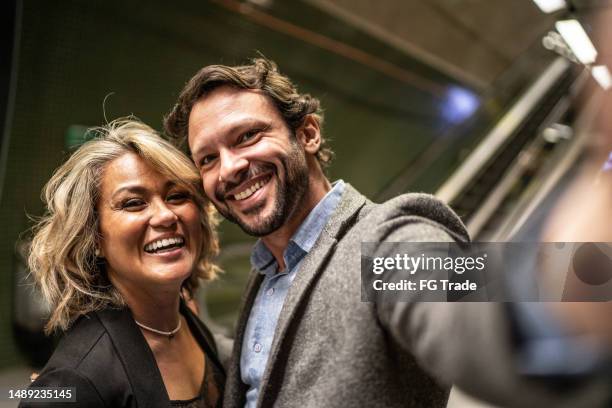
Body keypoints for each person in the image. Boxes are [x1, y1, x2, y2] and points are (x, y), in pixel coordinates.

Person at [164, 58, 610, 407]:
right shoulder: (266, 275)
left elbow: (478, 304)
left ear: (309, 134)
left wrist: (586, 279)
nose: (230, 168)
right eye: (208, 159)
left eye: (247, 136)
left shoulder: (383, 246)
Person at [21, 119, 225, 408]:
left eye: (177, 196)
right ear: (94, 238)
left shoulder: (186, 325)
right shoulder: (71, 380)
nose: (166, 215)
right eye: (133, 203)